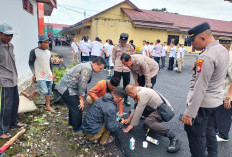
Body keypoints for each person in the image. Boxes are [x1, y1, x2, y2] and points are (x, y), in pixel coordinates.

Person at [182, 22, 229, 157]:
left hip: (202, 104)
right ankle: (213, 154)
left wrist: (190, 112)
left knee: (196, 136)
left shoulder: (206, 56)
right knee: (209, 131)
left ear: (202, 38)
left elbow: (200, 88)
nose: (191, 45)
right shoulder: (222, 49)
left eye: (193, 40)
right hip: (215, 102)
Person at [122, 85, 180, 153]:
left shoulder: (142, 94)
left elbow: (138, 110)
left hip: (164, 111)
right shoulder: (138, 90)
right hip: (156, 108)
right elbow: (136, 106)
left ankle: (173, 137)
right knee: (139, 108)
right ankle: (152, 122)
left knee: (148, 122)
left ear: (132, 93)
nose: (130, 97)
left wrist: (131, 125)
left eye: (129, 95)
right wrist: (129, 119)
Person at [56, 57, 105, 134]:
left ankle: (72, 124)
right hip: (66, 88)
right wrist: (81, 99)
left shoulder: (88, 65)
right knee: (78, 107)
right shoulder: (87, 69)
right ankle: (76, 129)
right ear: (95, 64)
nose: (100, 70)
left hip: (67, 87)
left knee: (73, 106)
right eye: (100, 68)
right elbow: (82, 84)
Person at [0, 23, 25, 139]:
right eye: (7, 35)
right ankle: (2, 130)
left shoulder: (11, 46)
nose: (10, 37)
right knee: (6, 106)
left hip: (13, 78)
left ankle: (13, 122)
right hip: (4, 80)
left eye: (11, 35)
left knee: (15, 102)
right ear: (0, 34)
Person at [27, 35, 55, 113]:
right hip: (39, 74)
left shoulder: (48, 52)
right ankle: (35, 92)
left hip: (48, 74)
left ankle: (48, 106)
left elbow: (50, 63)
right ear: (40, 43)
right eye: (45, 43)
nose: (47, 44)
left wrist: (52, 73)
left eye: (48, 42)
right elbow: (30, 63)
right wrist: (34, 73)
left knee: (49, 91)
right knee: (44, 91)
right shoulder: (34, 51)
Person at [215, 44, 232, 142]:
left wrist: (228, 97)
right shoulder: (224, 56)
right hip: (222, 91)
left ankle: (223, 135)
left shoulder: (230, 58)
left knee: (225, 114)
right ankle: (219, 131)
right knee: (220, 113)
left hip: (227, 93)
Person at [112, 33, 134, 106]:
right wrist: (116, 65)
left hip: (127, 69)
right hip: (117, 68)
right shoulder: (115, 47)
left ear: (127, 40)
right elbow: (113, 58)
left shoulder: (130, 47)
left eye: (124, 42)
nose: (122, 43)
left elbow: (132, 57)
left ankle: (126, 99)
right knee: (115, 84)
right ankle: (115, 98)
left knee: (126, 85)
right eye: (121, 41)